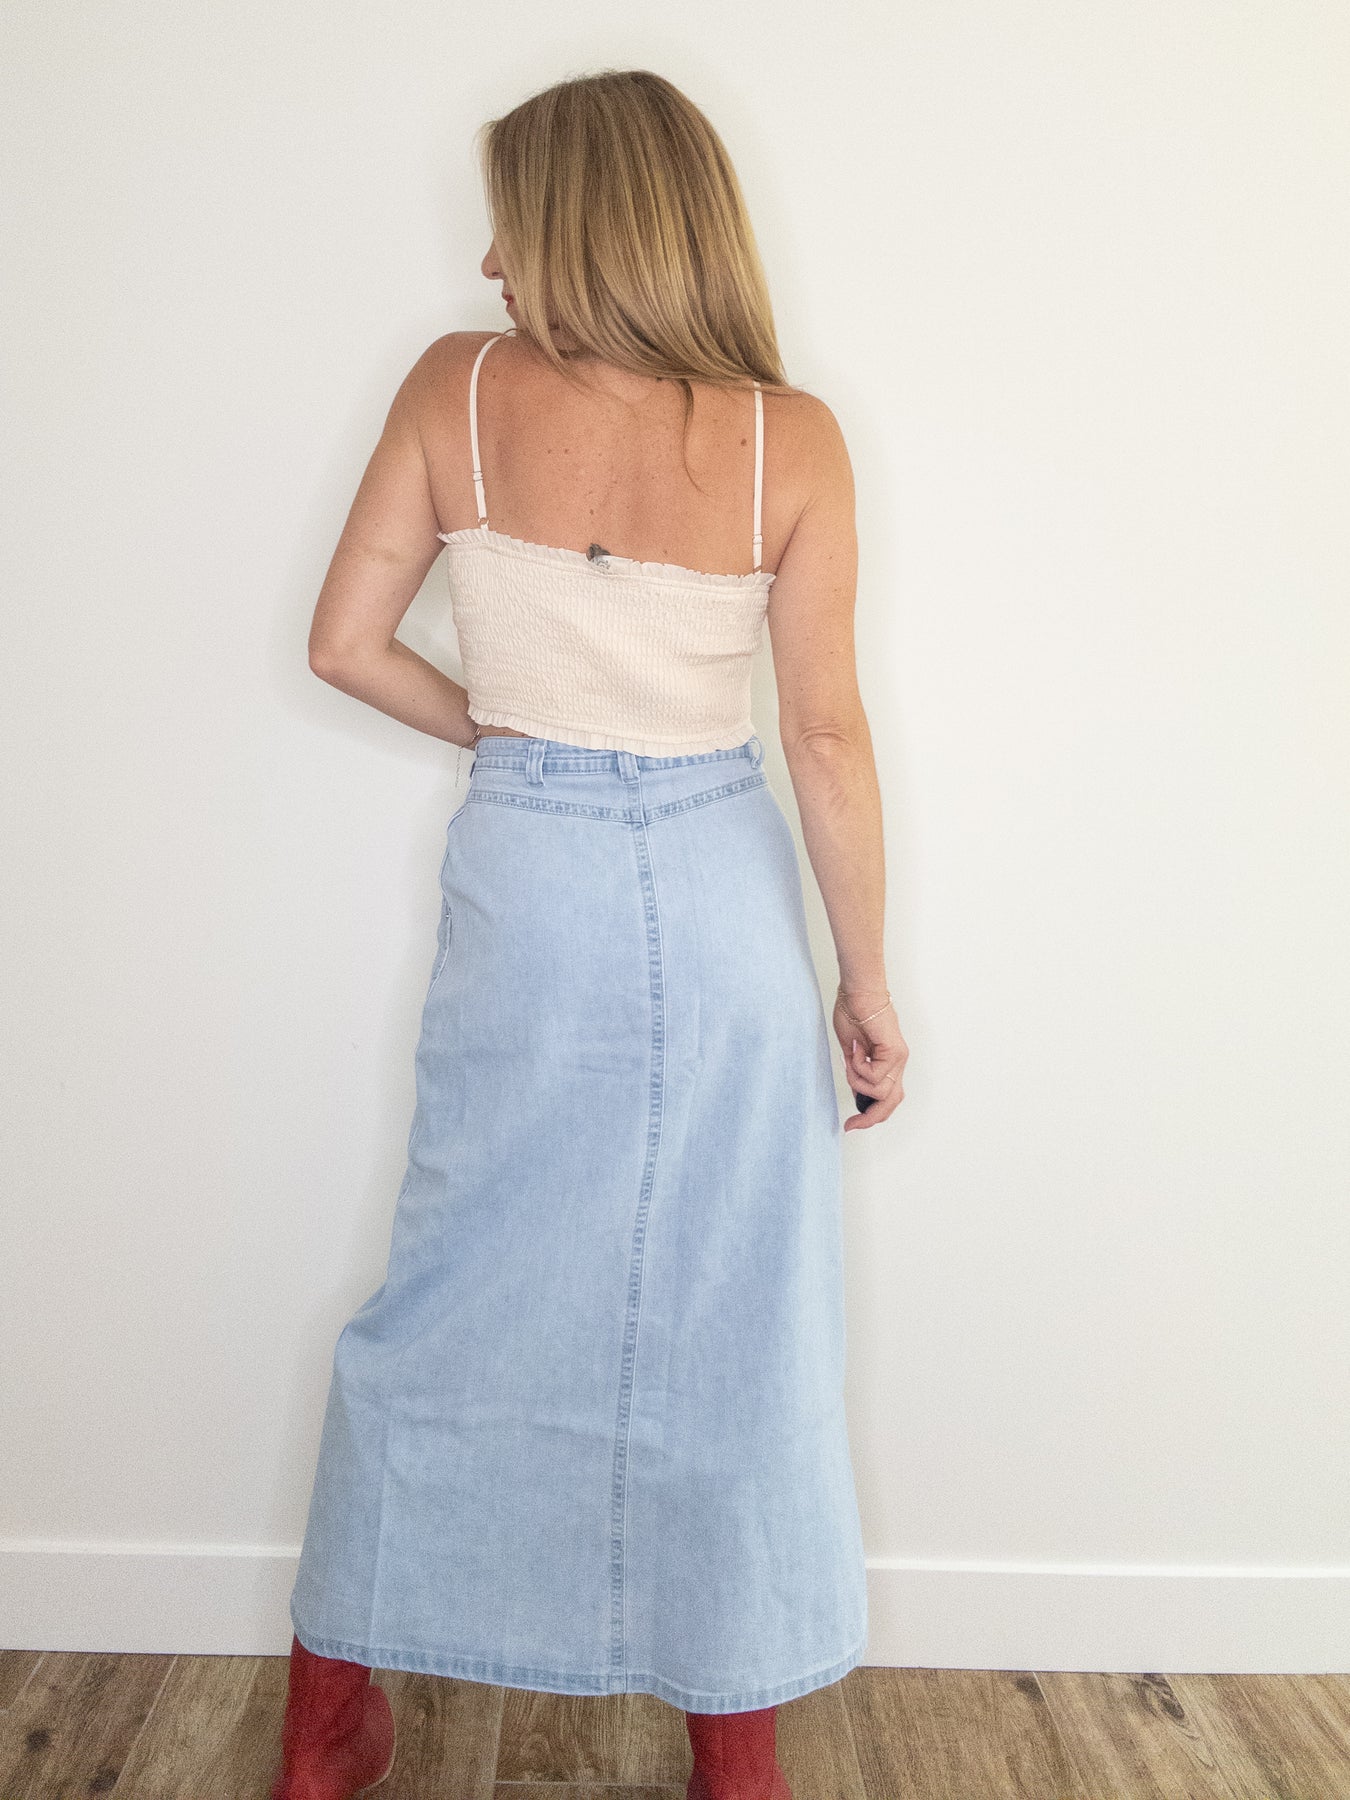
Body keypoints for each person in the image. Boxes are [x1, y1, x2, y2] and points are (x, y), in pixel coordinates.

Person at [270, 68, 908, 1800]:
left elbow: (343, 644)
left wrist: (510, 733)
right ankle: (736, 1755)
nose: (488, 262)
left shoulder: (457, 390)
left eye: (510, 225)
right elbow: (823, 739)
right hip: (720, 893)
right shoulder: (791, 437)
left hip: (528, 884)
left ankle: (324, 1734)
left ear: (581, 225)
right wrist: (863, 985)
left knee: (447, 1290)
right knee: (735, 1311)